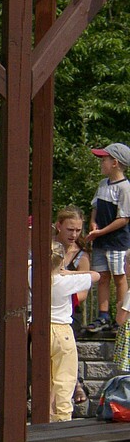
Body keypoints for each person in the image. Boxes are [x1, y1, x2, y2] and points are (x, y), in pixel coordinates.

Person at [47, 242, 99, 421]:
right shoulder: (65, 281)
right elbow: (96, 276)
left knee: (44, 375)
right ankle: (61, 416)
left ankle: (45, 413)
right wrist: (70, 272)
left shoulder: (33, 276)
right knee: (64, 377)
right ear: (61, 260)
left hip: (40, 329)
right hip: (62, 330)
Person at [84, 143, 130, 332]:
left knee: (119, 277)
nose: (101, 163)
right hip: (101, 241)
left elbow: (124, 218)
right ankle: (103, 316)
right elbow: (95, 207)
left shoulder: (125, 188)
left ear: (115, 163)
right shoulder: (103, 184)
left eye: (104, 159)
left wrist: (101, 232)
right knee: (102, 277)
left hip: (117, 242)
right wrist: (93, 223)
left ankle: (121, 316)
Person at [54, 205, 92, 405]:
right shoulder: (49, 248)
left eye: (78, 230)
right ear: (59, 226)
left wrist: (61, 292)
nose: (74, 234)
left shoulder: (81, 256)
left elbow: (83, 292)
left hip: (69, 309)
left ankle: (76, 383)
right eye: (70, 230)